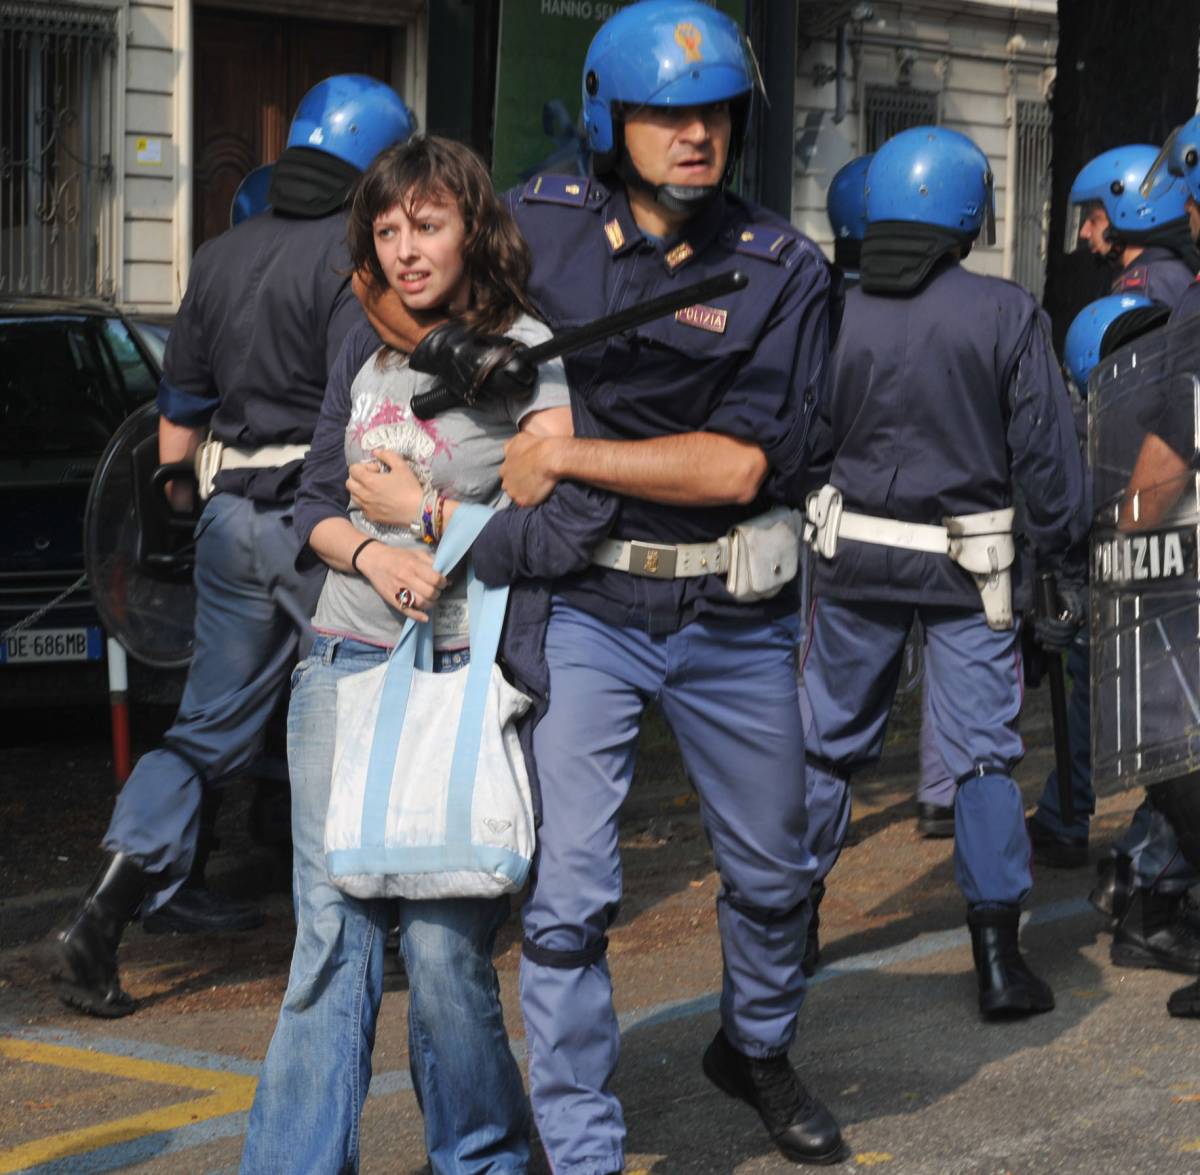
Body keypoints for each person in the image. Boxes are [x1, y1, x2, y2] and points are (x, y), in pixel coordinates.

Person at [356, 3, 846, 1167]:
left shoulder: (785, 270)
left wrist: (570, 451)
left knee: (777, 871)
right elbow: (384, 267)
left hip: (732, 611)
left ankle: (759, 1044)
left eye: (715, 112)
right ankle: (580, 1142)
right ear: (608, 119)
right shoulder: (537, 221)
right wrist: (445, 351)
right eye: (666, 113)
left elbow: (736, 464)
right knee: (569, 896)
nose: (695, 134)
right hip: (585, 608)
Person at [46, 75, 415, 1018]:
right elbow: (368, 413)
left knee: (205, 730)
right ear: (376, 165)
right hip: (317, 523)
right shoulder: (354, 264)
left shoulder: (215, 255)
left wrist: (184, 509)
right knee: (382, 707)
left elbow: (176, 422)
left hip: (224, 519)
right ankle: (395, 932)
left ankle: (103, 910)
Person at [241, 135, 575, 1173]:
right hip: (340, 660)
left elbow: (556, 529)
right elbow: (309, 504)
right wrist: (378, 553)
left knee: (440, 950)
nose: (405, 250)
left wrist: (426, 517)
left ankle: (483, 1156)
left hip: (457, 675)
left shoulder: (527, 349)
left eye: (426, 224)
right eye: (386, 231)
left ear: (472, 225)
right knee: (328, 941)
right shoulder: (363, 340)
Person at [800, 125, 1089, 1021]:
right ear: (969, 213)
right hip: (975, 576)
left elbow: (797, 442)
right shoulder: (1006, 313)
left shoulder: (830, 313)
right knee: (984, 761)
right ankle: (999, 961)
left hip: (850, 567)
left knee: (823, 743)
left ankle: (787, 927)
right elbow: (1050, 465)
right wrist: (1062, 560)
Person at [1064, 144, 1196, 307]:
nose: (1084, 232)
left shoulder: (1143, 290)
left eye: (1094, 220)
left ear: (1133, 212)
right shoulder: (1171, 273)